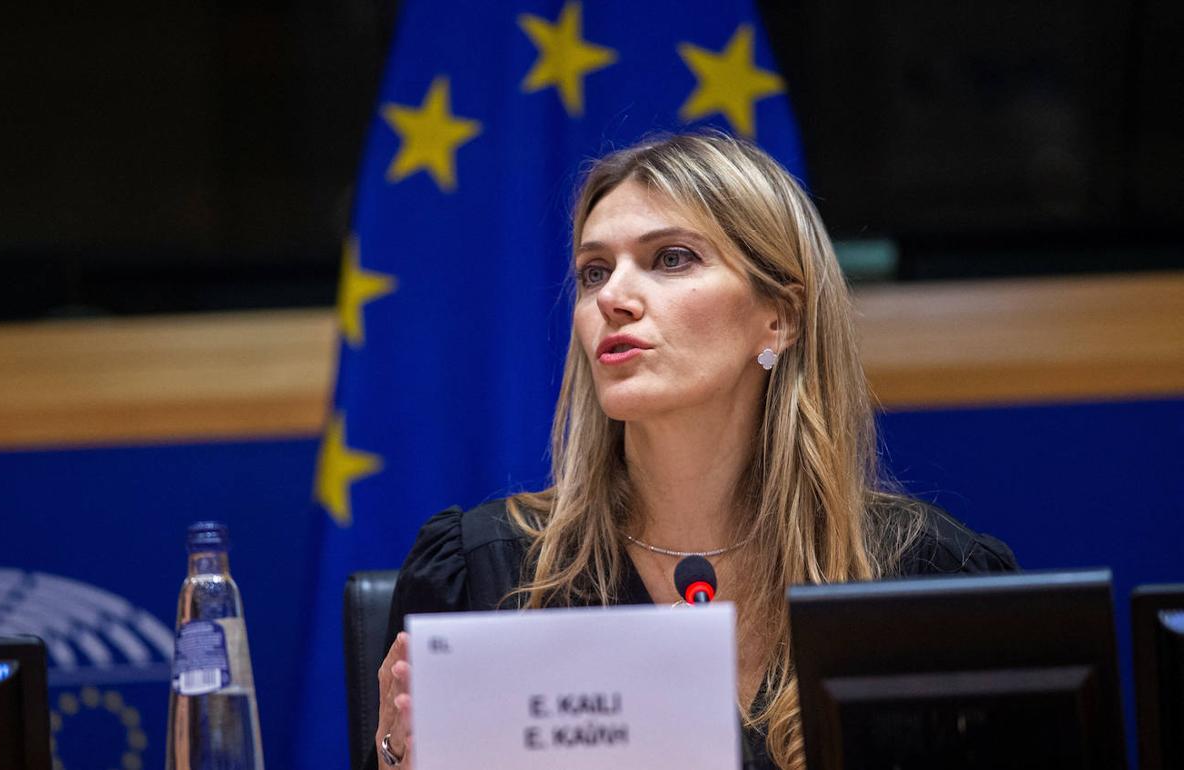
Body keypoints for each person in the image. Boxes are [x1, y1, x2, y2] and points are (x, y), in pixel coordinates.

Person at [368, 131, 1017, 770]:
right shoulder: (488, 573)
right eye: (594, 272)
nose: (612, 298)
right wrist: (398, 762)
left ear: (780, 317)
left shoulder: (927, 581)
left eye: (671, 259)